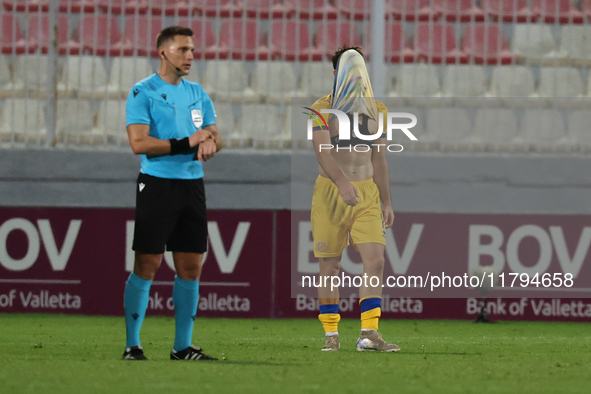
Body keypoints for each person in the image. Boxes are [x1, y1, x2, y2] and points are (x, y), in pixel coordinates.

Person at [123, 26, 222, 361]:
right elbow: (139, 143)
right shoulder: (143, 92)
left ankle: (182, 347)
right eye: (183, 50)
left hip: (192, 185)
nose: (190, 56)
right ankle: (133, 345)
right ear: (163, 52)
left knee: (191, 267)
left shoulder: (197, 93)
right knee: (147, 263)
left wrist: (210, 143)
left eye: (192, 49)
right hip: (157, 184)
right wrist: (187, 143)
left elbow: (214, 135)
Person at [309, 46, 399, 352]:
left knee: (375, 260)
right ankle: (331, 334)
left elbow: (380, 159)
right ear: (337, 74)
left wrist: (387, 201)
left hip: (368, 196)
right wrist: (342, 182)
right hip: (331, 194)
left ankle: (368, 334)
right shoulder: (321, 109)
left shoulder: (379, 110)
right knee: (329, 266)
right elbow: (322, 153)